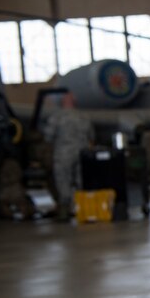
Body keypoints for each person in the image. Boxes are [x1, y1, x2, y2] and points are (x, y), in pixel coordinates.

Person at [43, 92, 94, 222]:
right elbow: (92, 136)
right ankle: (85, 210)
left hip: (63, 154)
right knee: (81, 181)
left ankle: (65, 211)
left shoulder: (57, 117)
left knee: (63, 181)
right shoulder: (84, 116)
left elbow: (48, 136)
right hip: (82, 153)